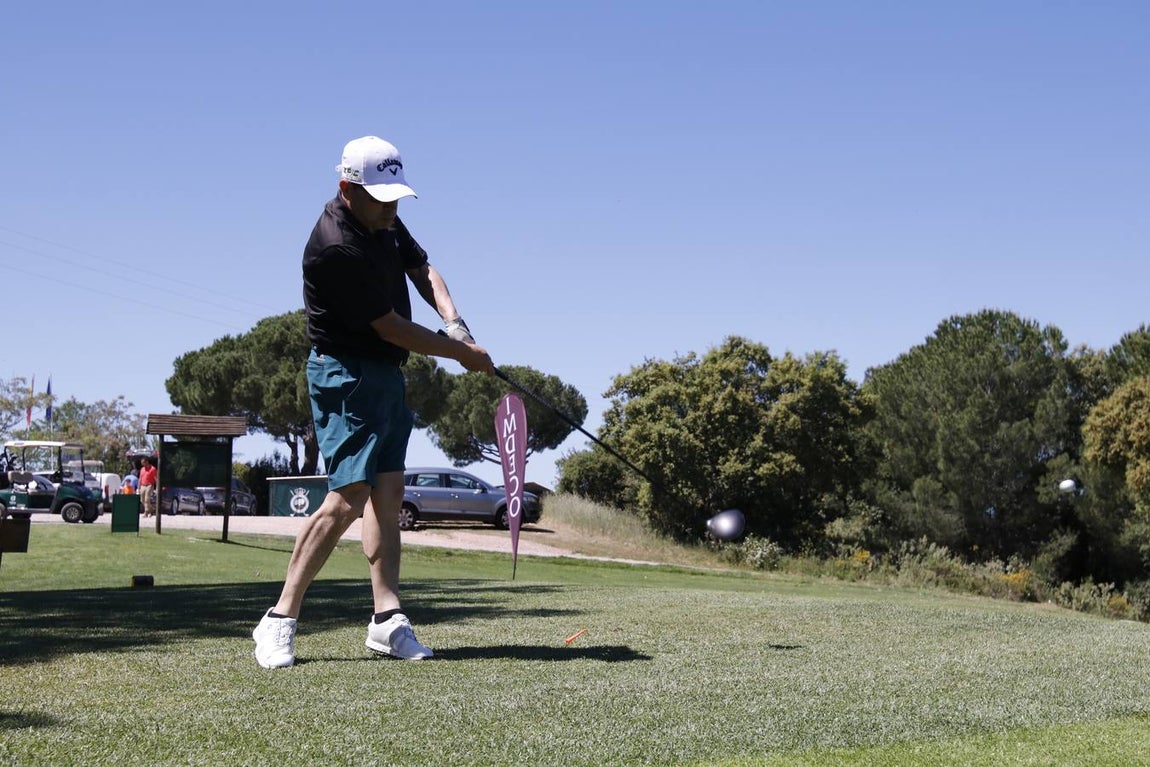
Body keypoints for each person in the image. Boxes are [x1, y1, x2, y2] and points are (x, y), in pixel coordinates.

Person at [252, 135, 494, 669]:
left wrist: (455, 323)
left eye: (396, 198)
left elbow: (423, 269)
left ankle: (388, 619)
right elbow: (390, 326)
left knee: (388, 493)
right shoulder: (335, 245)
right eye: (381, 199)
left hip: (385, 374)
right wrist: (459, 354)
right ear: (347, 189)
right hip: (343, 374)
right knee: (349, 496)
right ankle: (278, 619)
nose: (391, 209)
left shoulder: (382, 219)